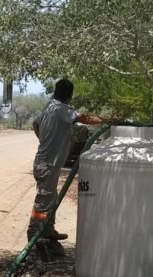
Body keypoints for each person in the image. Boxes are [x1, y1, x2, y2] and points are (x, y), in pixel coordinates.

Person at [27, 78, 114, 246]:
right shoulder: (62, 109)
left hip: (46, 162)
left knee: (50, 198)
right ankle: (34, 232)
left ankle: (48, 229)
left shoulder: (50, 106)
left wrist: (43, 140)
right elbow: (84, 118)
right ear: (70, 95)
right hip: (48, 163)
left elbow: (34, 124)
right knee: (44, 200)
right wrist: (106, 120)